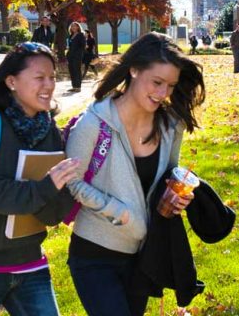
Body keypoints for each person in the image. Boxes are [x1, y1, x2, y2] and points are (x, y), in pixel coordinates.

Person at [65, 32, 205, 316]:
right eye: (156, 82)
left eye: (170, 85)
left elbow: (168, 175)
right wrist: (118, 211)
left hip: (144, 256)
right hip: (94, 255)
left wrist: (176, 197)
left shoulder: (170, 126)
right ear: (134, 69)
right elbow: (72, 180)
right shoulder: (94, 123)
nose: (163, 93)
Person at [0, 42, 78, 316]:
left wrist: (56, 192)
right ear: (11, 81)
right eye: (39, 77)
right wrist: (43, 189)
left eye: (53, 77)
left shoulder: (48, 129)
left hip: (30, 263)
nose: (49, 85)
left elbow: (54, 210)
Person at [66, 22, 86, 92]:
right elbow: (69, 46)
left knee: (77, 70)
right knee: (71, 70)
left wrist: (78, 54)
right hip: (70, 55)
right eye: (72, 26)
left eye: (75, 26)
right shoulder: (71, 35)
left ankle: (78, 87)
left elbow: (83, 46)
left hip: (77, 56)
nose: (73, 27)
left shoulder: (81, 35)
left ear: (78, 27)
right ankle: (74, 86)